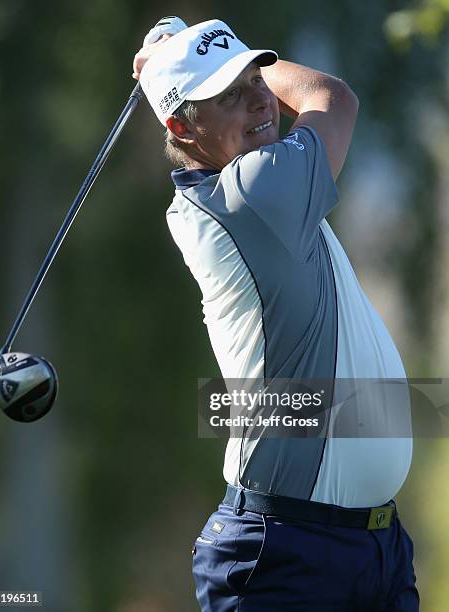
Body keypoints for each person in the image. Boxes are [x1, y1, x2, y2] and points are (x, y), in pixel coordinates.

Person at [133, 17, 419, 612]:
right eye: (231, 93)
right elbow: (331, 97)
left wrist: (180, 59)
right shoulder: (253, 192)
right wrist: (182, 56)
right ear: (182, 125)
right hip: (287, 554)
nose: (262, 98)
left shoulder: (258, 184)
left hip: (371, 548)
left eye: (256, 76)